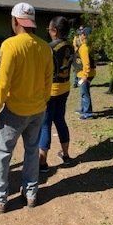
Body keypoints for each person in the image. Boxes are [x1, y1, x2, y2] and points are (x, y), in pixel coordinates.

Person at [0, 2, 53, 213]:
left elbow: (2, 82)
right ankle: (30, 193)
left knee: (3, 154)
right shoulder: (44, 47)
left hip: (14, 111)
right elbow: (48, 81)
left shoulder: (10, 45)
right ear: (31, 22)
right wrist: (43, 101)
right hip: (38, 110)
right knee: (32, 151)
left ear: (15, 21)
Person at [39, 16, 74, 172]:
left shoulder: (49, 47)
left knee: (45, 124)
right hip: (65, 87)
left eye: (49, 29)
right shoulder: (70, 45)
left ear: (54, 30)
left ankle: (42, 162)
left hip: (51, 90)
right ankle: (66, 155)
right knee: (60, 120)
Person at [74, 26, 96, 120]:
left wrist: (85, 76)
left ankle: (88, 113)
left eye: (82, 34)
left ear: (85, 35)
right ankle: (83, 109)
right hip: (86, 73)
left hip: (85, 74)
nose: (80, 35)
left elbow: (86, 63)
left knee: (85, 93)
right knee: (83, 92)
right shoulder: (88, 45)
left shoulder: (84, 47)